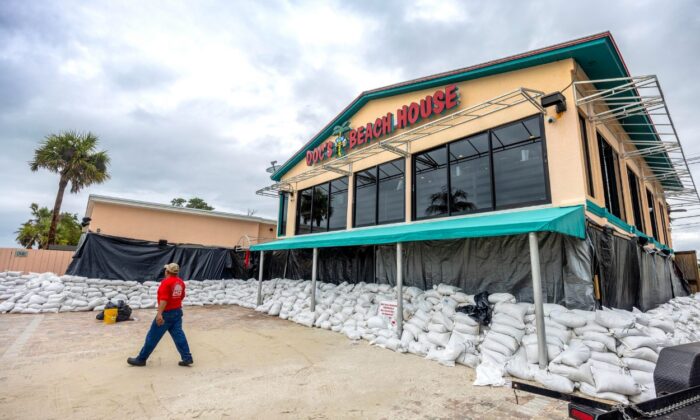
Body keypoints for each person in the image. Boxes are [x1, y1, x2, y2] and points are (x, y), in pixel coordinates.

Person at [127, 263, 193, 367]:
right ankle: (187, 357)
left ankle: (141, 359)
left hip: (166, 314)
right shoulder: (180, 283)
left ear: (167, 272)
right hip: (177, 312)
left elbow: (164, 300)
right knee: (179, 335)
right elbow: (181, 296)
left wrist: (159, 314)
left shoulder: (165, 283)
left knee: (152, 337)